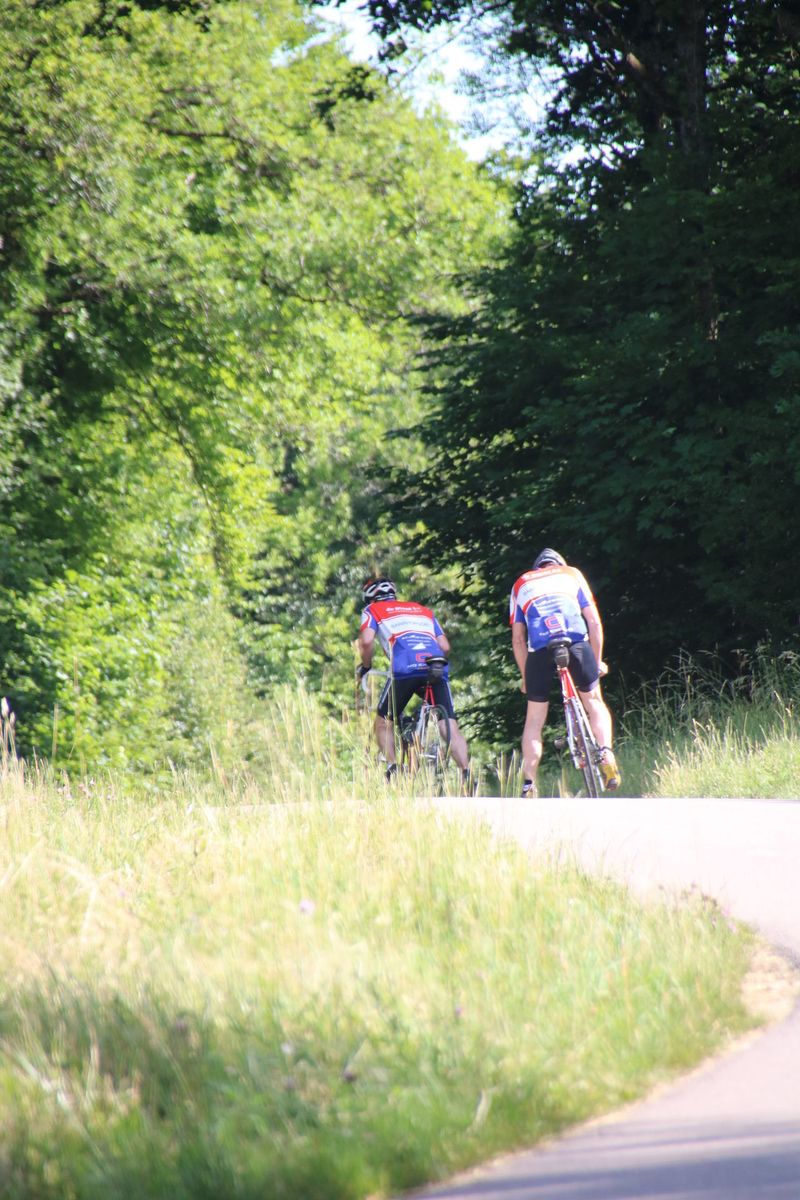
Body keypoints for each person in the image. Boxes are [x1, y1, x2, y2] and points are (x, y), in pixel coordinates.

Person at [509, 548, 621, 796]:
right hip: (576, 642)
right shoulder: (572, 573)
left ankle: (529, 784)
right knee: (594, 702)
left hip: (541, 650)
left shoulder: (521, 583)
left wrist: (526, 677)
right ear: (559, 564)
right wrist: (597, 661)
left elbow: (518, 639)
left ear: (537, 568)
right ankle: (606, 753)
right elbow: (594, 622)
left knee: (534, 720)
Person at [357, 577, 473, 788]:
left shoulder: (372, 610)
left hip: (405, 667)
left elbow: (366, 642)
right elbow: (445, 646)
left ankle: (393, 767)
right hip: (435, 664)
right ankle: (466, 773)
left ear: (370, 598)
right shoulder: (422, 610)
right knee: (449, 725)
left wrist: (365, 666)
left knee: (383, 722)